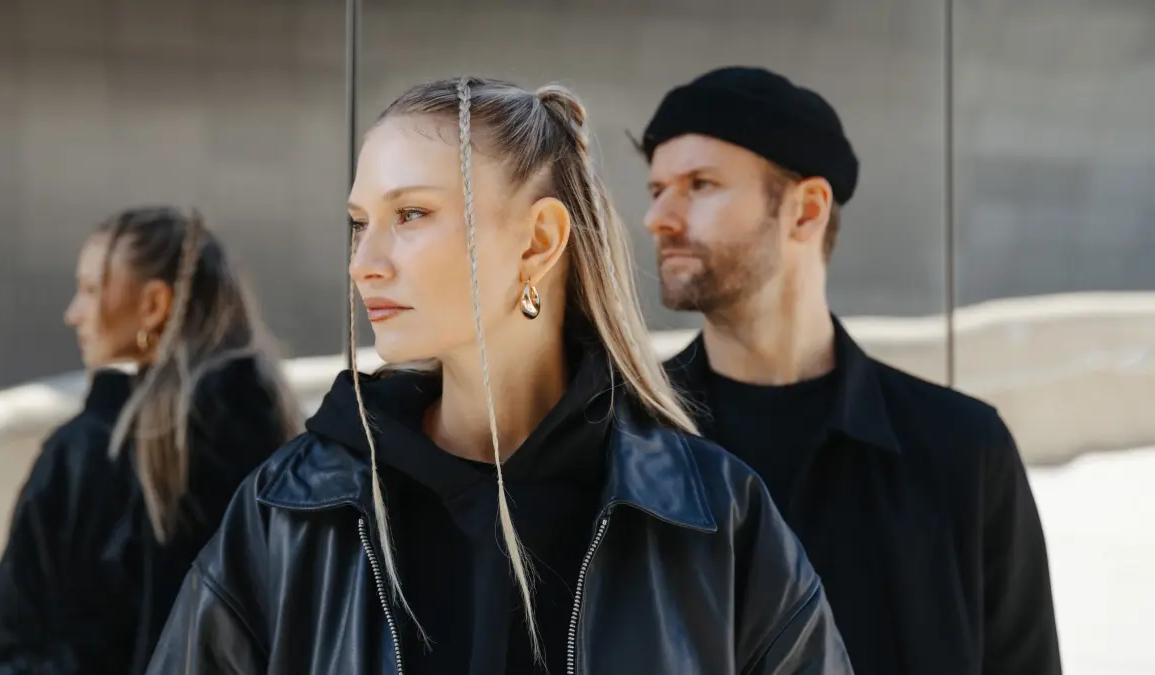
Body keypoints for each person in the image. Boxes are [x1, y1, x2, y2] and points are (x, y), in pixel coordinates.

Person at [144, 77, 853, 675]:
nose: (365, 262)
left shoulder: (713, 517)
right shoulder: (291, 510)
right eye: (360, 222)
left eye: (411, 214)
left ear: (539, 241)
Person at [641, 66, 1062, 675]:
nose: (660, 216)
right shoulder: (623, 433)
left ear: (806, 210)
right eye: (656, 189)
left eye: (700, 185)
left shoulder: (960, 450)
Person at [0, 207, 302, 675]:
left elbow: (3, 649)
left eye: (91, 290)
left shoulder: (92, 456)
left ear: (153, 306)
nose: (72, 314)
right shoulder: (286, 448)